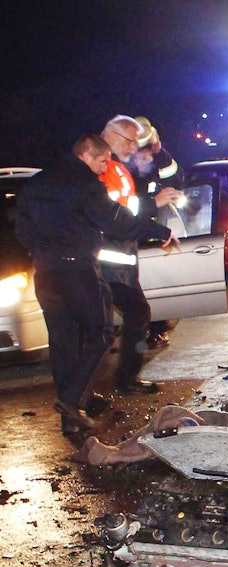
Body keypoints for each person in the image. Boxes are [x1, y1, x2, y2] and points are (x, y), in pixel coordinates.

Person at [15, 135, 177, 434]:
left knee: (62, 341)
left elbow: (21, 227)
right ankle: (71, 399)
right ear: (87, 155)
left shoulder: (37, 183)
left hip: (45, 271)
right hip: (77, 269)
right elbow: (117, 221)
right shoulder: (85, 184)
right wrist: (158, 229)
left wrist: (42, 252)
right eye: (102, 161)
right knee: (99, 333)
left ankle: (71, 418)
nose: (104, 168)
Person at [98, 115, 183, 394]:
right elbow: (117, 213)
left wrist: (158, 229)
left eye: (139, 143)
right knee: (129, 316)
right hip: (107, 258)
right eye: (132, 142)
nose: (136, 149)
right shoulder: (107, 169)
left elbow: (173, 179)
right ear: (115, 137)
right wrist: (153, 207)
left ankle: (94, 392)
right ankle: (121, 382)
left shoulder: (124, 168)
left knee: (105, 328)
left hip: (121, 254)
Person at [129, 116, 182, 348]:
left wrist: (160, 153)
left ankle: (156, 329)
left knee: (152, 287)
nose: (149, 155)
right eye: (147, 150)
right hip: (127, 236)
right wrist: (153, 203)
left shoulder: (150, 163)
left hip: (146, 231)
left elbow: (176, 178)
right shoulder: (119, 169)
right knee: (132, 296)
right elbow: (121, 209)